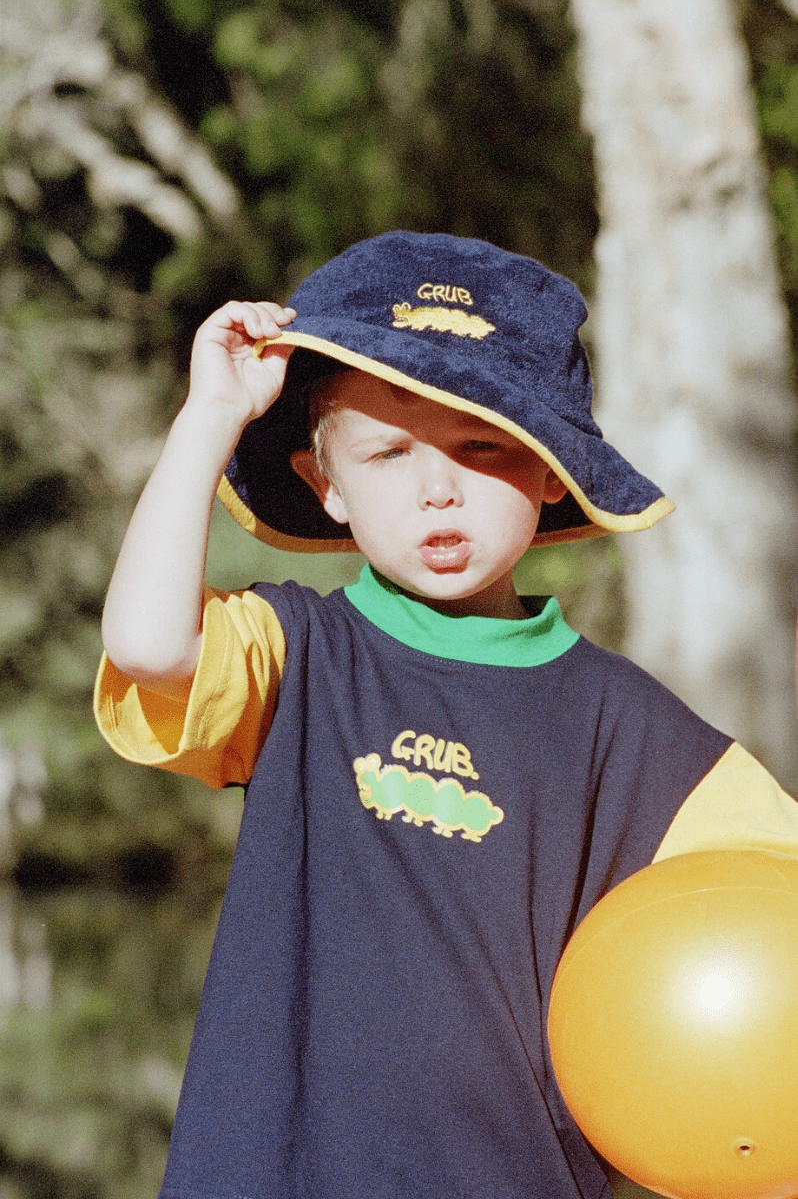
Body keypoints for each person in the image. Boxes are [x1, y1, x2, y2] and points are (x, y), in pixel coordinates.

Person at [95, 231, 798, 1199]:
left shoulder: (628, 730)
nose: (438, 489)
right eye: (387, 452)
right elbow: (146, 646)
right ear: (324, 484)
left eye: (483, 447)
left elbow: (774, 905)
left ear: (555, 470)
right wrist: (207, 419)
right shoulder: (297, 655)